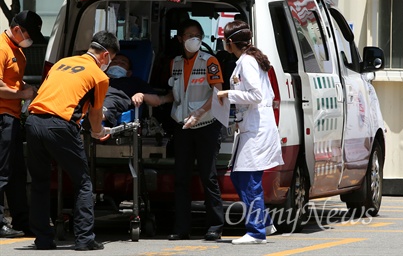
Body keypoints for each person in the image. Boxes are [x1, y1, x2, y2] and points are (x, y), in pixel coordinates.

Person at [25, 30, 119, 251]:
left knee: (39, 183)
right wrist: (98, 132)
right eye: (111, 60)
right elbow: (96, 115)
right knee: (83, 182)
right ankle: (84, 239)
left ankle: (43, 239)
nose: (109, 64)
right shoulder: (99, 76)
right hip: (60, 125)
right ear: (105, 55)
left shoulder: (61, 63)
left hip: (33, 121)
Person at [216, 20, 284, 245]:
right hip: (252, 125)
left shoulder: (247, 62)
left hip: (257, 128)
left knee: (249, 178)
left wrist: (228, 94)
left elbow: (256, 95)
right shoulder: (248, 60)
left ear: (230, 42)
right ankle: (263, 222)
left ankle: (256, 232)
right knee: (239, 175)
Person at [163, 19, 225, 241]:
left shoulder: (210, 61)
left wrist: (198, 114)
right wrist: (156, 99)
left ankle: (215, 226)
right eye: (189, 35)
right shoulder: (175, 63)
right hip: (183, 127)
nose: (194, 39)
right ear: (180, 39)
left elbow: (218, 93)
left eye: (197, 35)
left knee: (208, 177)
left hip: (206, 126)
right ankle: (182, 228)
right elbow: (176, 95)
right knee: (181, 178)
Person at [0, 10, 44, 238]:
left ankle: (22, 220)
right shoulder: (1, 47)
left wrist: (27, 87)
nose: (32, 39)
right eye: (30, 34)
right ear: (17, 29)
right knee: (2, 172)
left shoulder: (18, 51)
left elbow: (13, 80)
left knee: (16, 173)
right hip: (2, 116)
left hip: (13, 117)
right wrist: (23, 94)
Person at [102, 53, 166, 126]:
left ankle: (96, 117)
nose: (118, 65)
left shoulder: (134, 82)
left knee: (109, 102)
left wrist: (142, 95)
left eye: (123, 64)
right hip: (95, 98)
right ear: (107, 68)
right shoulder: (98, 79)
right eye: (114, 62)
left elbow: (156, 101)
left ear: (129, 73)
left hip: (113, 100)